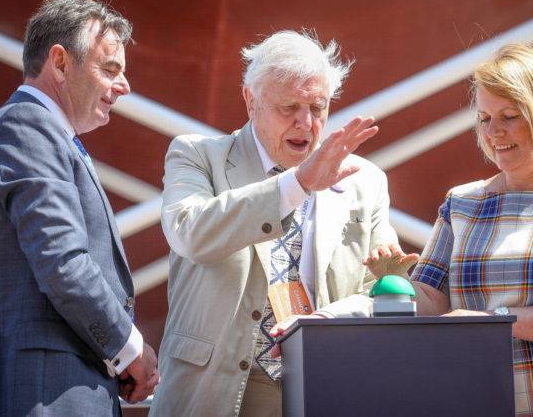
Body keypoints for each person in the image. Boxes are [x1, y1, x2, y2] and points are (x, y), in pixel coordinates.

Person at [364, 43, 533, 415]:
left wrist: (495, 323)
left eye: (509, 115)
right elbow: (434, 300)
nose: (494, 132)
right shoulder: (461, 202)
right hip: (478, 398)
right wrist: (397, 283)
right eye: (484, 118)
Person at [149, 30, 401, 417]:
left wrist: (328, 318)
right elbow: (192, 232)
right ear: (251, 101)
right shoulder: (198, 155)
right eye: (290, 107)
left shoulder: (363, 181)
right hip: (213, 392)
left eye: (318, 107)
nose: (306, 122)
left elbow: (380, 289)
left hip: (320, 389)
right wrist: (296, 185)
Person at [0, 0, 159, 416]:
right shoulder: (27, 126)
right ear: (61, 63)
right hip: (39, 393)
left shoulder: (34, 131)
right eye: (110, 69)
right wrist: (129, 348)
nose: (124, 86)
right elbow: (63, 261)